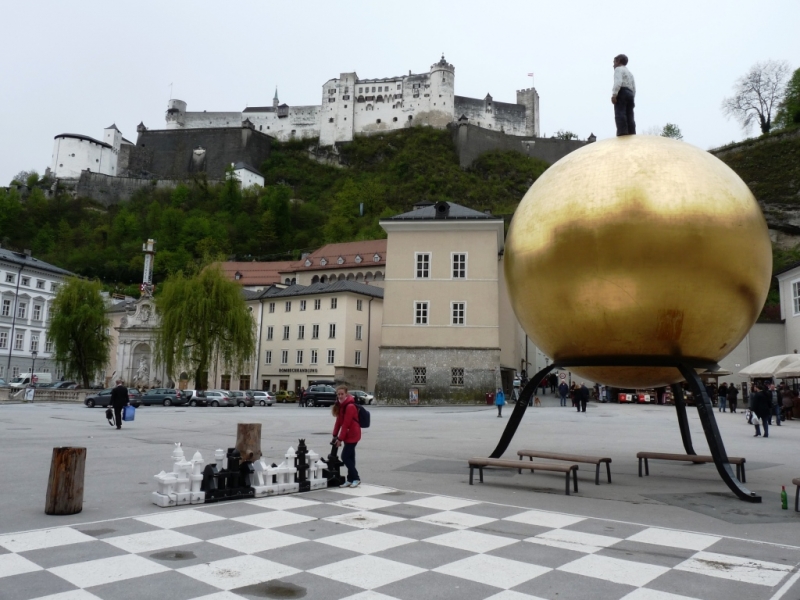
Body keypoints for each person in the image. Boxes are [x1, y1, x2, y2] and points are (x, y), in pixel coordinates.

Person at [331, 385, 362, 487]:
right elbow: (338, 422)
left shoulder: (350, 406)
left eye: (342, 394)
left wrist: (340, 439)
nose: (340, 396)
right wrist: (334, 435)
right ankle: (350, 479)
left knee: (344, 457)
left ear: (346, 394)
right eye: (338, 394)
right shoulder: (341, 406)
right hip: (348, 435)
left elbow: (346, 424)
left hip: (353, 434)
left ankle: (356, 478)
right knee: (351, 457)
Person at [611, 54, 636, 136]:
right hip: (630, 93)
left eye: (614, 62)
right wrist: (633, 97)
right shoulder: (629, 73)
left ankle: (622, 132)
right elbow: (634, 87)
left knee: (620, 113)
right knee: (630, 114)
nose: (613, 65)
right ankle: (631, 131)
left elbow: (618, 82)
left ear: (618, 61)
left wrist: (614, 94)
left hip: (622, 92)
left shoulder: (618, 70)